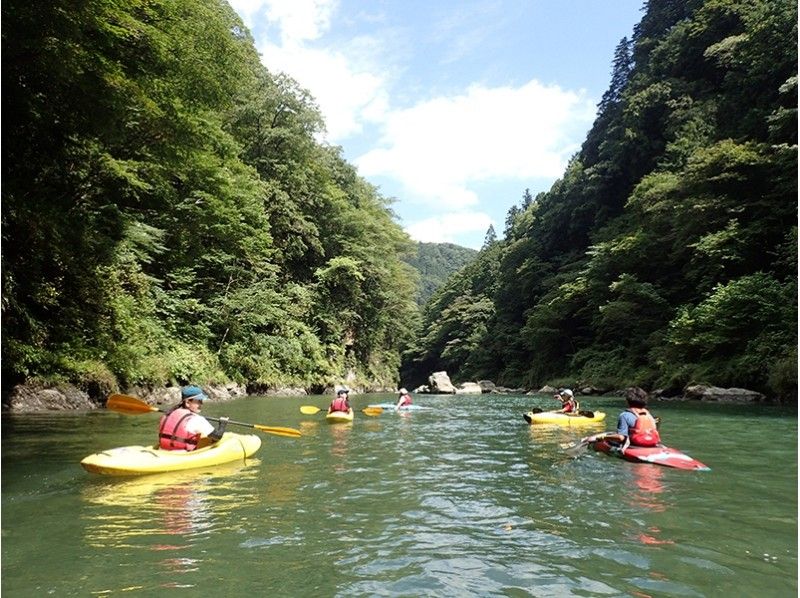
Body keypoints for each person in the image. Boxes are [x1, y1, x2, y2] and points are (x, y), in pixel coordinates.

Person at [158, 386, 228, 451]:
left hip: (163, 451)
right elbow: (217, 436)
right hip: (182, 455)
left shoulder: (168, 414)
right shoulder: (197, 420)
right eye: (199, 401)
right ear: (188, 403)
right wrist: (223, 424)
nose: (201, 404)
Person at [584, 395, 661, 450]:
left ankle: (587, 439)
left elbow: (621, 438)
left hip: (634, 443)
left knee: (603, 436)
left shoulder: (624, 415)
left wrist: (602, 438)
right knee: (611, 433)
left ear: (628, 402)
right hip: (651, 442)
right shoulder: (648, 415)